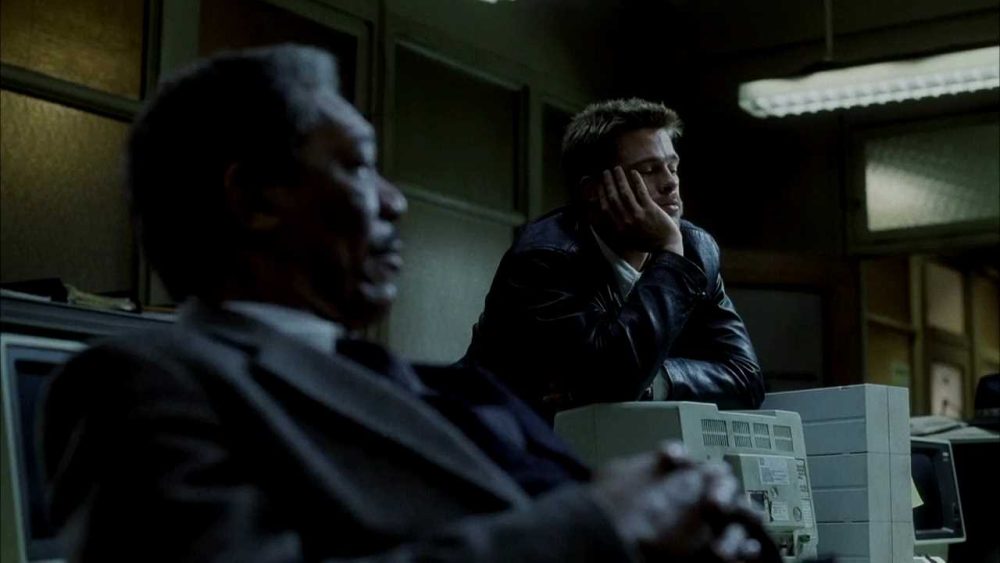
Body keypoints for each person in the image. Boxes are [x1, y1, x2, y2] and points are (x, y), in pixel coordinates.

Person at [42, 45, 776, 562]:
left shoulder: (429, 385)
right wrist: (601, 522)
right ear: (257, 199)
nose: (394, 201)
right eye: (358, 167)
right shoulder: (138, 383)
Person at [461, 99, 764, 420]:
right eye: (649, 170)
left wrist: (655, 381)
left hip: (605, 438)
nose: (670, 182)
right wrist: (669, 251)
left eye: (672, 167)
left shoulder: (696, 250)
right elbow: (612, 379)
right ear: (593, 190)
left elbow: (747, 378)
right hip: (494, 434)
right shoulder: (545, 259)